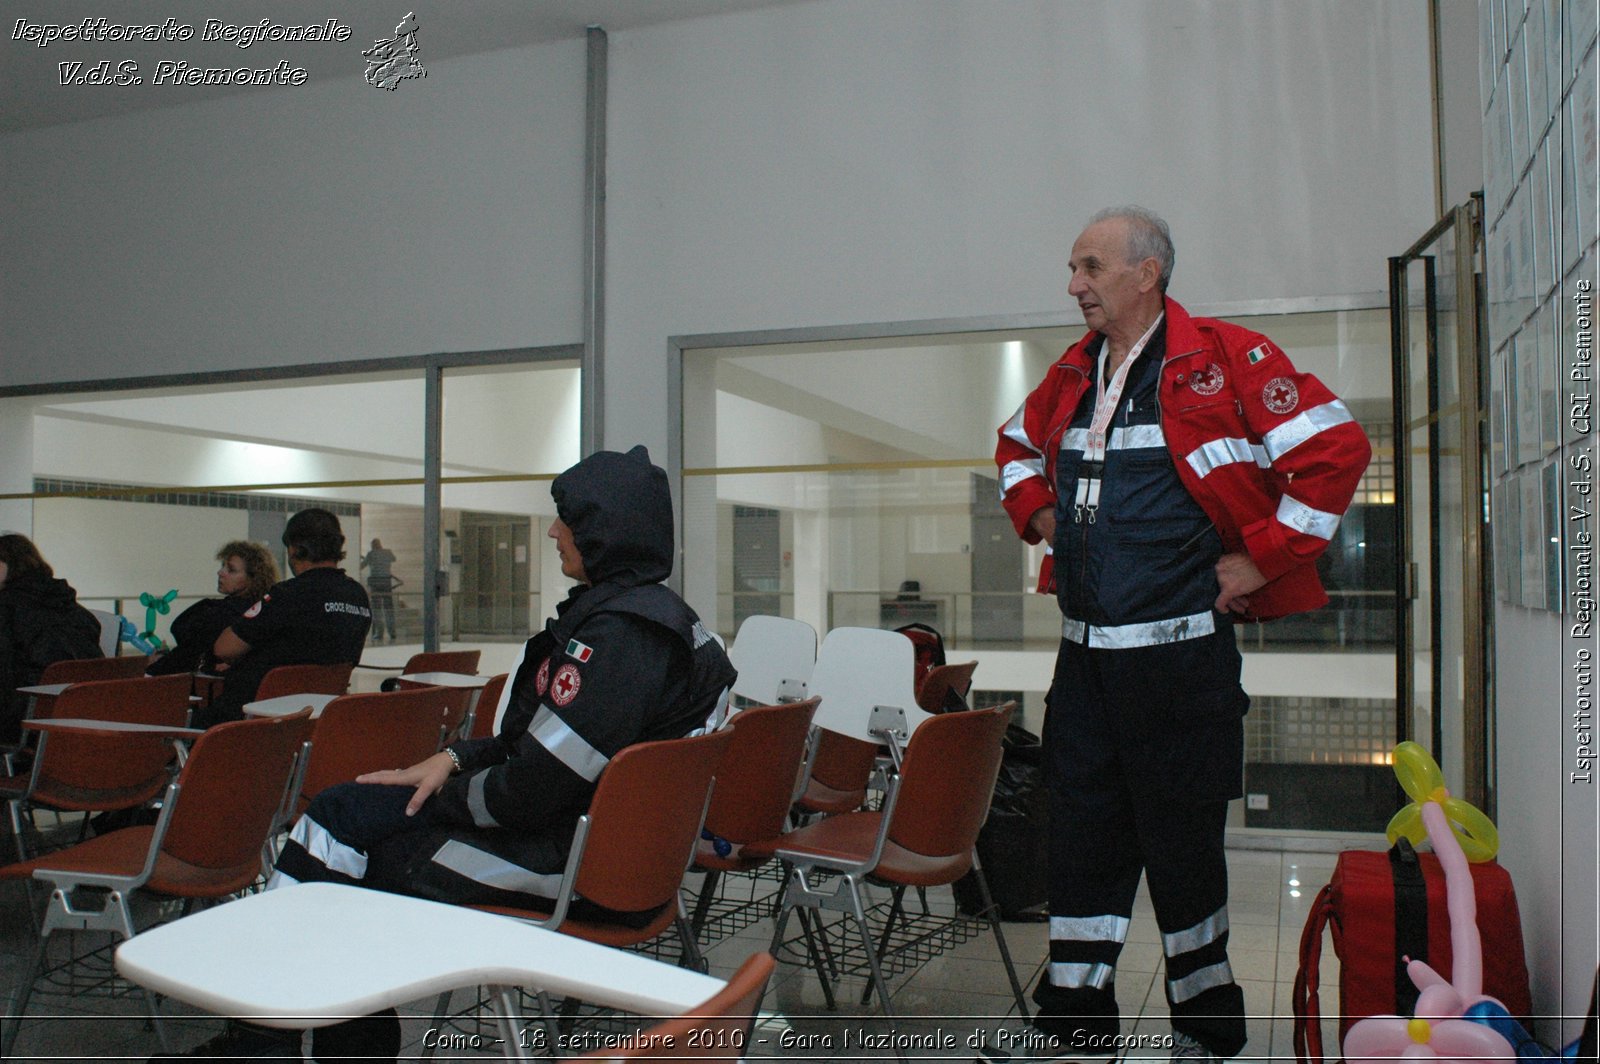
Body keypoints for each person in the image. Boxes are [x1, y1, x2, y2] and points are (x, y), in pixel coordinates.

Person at [162, 446, 736, 1062]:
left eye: (566, 517)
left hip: (575, 867)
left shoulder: (619, 640)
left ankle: (275, 1039)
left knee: (352, 857)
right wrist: (454, 760)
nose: (551, 530)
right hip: (610, 852)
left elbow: (534, 789)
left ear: (604, 529)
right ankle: (284, 1038)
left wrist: (444, 794)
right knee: (338, 817)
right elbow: (541, 746)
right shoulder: (662, 623)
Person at [993, 207, 1371, 1061]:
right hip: (1084, 668)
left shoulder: (1227, 358)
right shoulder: (1073, 371)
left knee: (1183, 857)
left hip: (1179, 668)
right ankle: (1073, 1031)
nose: (1074, 285)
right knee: (1080, 849)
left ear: (1146, 272)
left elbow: (1338, 449)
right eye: (1073, 267)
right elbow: (1014, 446)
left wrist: (1263, 559)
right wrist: (1043, 513)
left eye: (1089, 267)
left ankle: (1203, 1035)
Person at [196, 509, 371, 729]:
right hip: (316, 720)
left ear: (295, 549)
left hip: (251, 719)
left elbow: (224, 648)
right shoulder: (358, 595)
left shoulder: (288, 595)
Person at [0, 533, 103, 743]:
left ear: (9, 565)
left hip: (22, 720)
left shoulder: (6, 608)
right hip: (83, 715)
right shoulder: (74, 609)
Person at [146, 541, 278, 678]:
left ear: (253, 579)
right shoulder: (269, 610)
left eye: (231, 570)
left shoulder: (216, 612)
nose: (220, 572)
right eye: (223, 566)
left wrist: (154, 667)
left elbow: (187, 648)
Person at [359, 538, 401, 643]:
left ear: (372, 546)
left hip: (375, 582)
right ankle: (392, 632)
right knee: (388, 608)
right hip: (386, 582)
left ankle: (379, 632)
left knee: (376, 608)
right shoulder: (388, 552)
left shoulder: (371, 554)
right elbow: (393, 559)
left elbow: (361, 566)